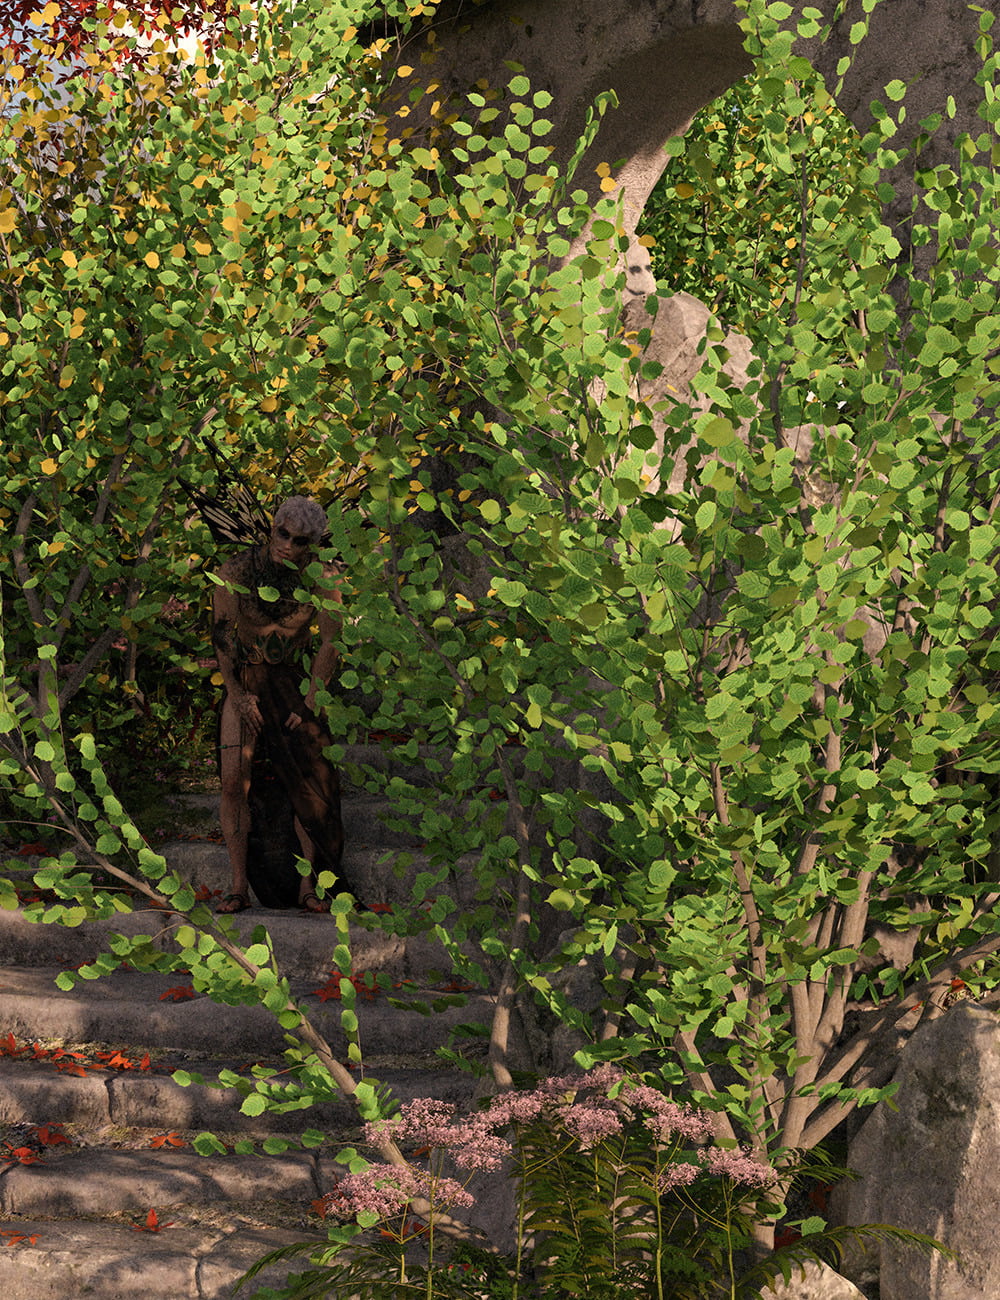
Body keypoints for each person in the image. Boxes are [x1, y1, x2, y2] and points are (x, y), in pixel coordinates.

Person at [210, 496, 344, 914]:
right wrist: (236, 693)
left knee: (308, 783)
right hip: (246, 680)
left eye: (300, 540)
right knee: (233, 781)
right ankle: (237, 887)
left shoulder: (322, 578)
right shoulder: (234, 571)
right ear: (272, 527)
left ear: (313, 543)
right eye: (282, 533)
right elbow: (222, 636)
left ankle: (309, 886)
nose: (287, 545)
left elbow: (330, 641)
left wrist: (308, 701)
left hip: (295, 684)